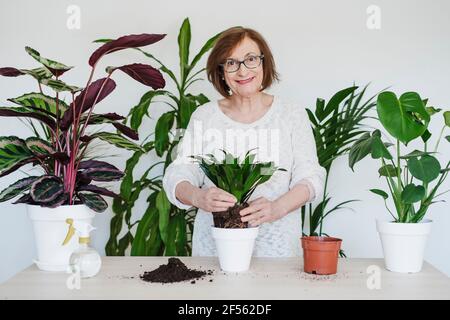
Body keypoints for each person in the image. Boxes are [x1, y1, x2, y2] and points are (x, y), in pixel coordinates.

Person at [162, 27, 326, 257]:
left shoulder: (291, 114)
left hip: (277, 254)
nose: (242, 71)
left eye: (250, 59)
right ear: (221, 71)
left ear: (264, 63)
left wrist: (277, 208)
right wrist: (198, 197)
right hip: (214, 253)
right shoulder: (205, 116)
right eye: (231, 63)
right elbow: (177, 175)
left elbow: (311, 179)